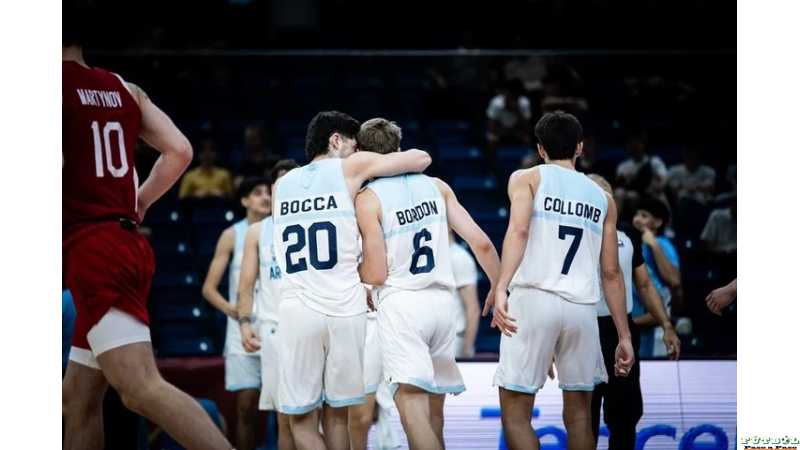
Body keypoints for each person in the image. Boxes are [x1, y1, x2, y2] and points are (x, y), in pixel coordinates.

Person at [62, 12, 232, 450]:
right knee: (78, 399)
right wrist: (137, 202)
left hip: (94, 246)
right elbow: (180, 150)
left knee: (139, 388)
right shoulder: (124, 88)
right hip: (123, 240)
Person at [271, 111, 432, 450]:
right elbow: (421, 159)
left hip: (298, 307)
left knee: (300, 421)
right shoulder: (348, 168)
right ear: (336, 140)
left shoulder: (281, 185)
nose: (359, 153)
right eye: (355, 146)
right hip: (348, 307)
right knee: (338, 416)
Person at [488, 111, 634, 450]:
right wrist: (623, 335)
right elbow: (611, 272)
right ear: (580, 147)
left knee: (515, 412)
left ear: (540, 149)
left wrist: (500, 287)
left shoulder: (527, 178)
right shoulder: (603, 199)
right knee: (581, 414)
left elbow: (519, 230)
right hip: (582, 309)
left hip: (534, 300)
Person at [355, 118, 501, 450]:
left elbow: (376, 274)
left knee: (411, 408)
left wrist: (354, 276)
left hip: (404, 303)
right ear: (398, 147)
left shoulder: (368, 198)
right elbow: (480, 243)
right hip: (443, 305)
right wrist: (498, 284)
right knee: (435, 410)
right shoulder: (437, 185)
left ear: (362, 152)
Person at [586, 174, 680, 450]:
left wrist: (667, 325)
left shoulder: (628, 236)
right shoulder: (574, 232)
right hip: (585, 329)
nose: (603, 200)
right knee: (584, 415)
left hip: (621, 331)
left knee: (625, 416)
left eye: (607, 195)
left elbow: (645, 284)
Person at [201, 177, 271, 450]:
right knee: (245, 407)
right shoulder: (232, 234)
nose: (264, 197)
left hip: (276, 326)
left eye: (268, 192)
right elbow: (209, 288)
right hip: (241, 330)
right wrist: (235, 311)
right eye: (257, 193)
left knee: (286, 408)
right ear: (244, 201)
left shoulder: (280, 229)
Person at [236, 170, 296, 450]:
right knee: (284, 417)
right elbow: (246, 285)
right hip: (274, 330)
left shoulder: (316, 220)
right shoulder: (258, 231)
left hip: (310, 324)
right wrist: (245, 322)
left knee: (322, 414)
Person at [631, 196, 683, 358]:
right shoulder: (632, 242)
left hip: (655, 324)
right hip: (637, 315)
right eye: (637, 214)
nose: (638, 219)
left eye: (644, 216)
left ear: (658, 222)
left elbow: (674, 280)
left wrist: (653, 244)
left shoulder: (663, 244)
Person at [614, 130, 668, 219]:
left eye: (637, 143)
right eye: (631, 143)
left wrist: (651, 187)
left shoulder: (654, 162)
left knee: (660, 196)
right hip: (632, 196)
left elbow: (662, 181)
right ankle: (614, 225)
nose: (634, 146)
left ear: (643, 144)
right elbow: (620, 185)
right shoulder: (623, 166)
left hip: (650, 194)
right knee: (619, 193)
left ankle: (665, 224)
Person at [448, 231, 481, 358]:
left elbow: (472, 308)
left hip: (454, 340)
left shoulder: (459, 257)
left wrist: (467, 349)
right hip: (435, 339)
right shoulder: (433, 256)